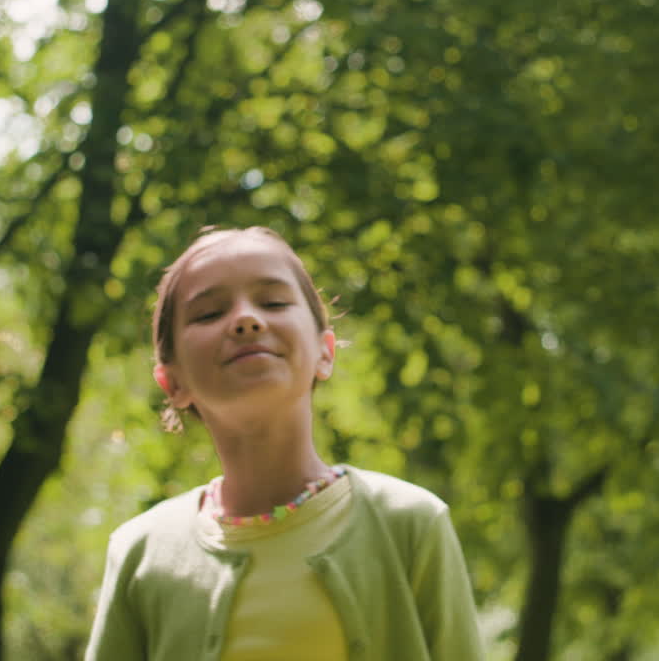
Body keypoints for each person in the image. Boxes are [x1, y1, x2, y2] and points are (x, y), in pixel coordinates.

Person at [84, 226, 486, 661]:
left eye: (273, 302)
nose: (245, 319)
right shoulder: (141, 553)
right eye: (208, 313)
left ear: (325, 352)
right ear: (173, 381)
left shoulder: (411, 523)